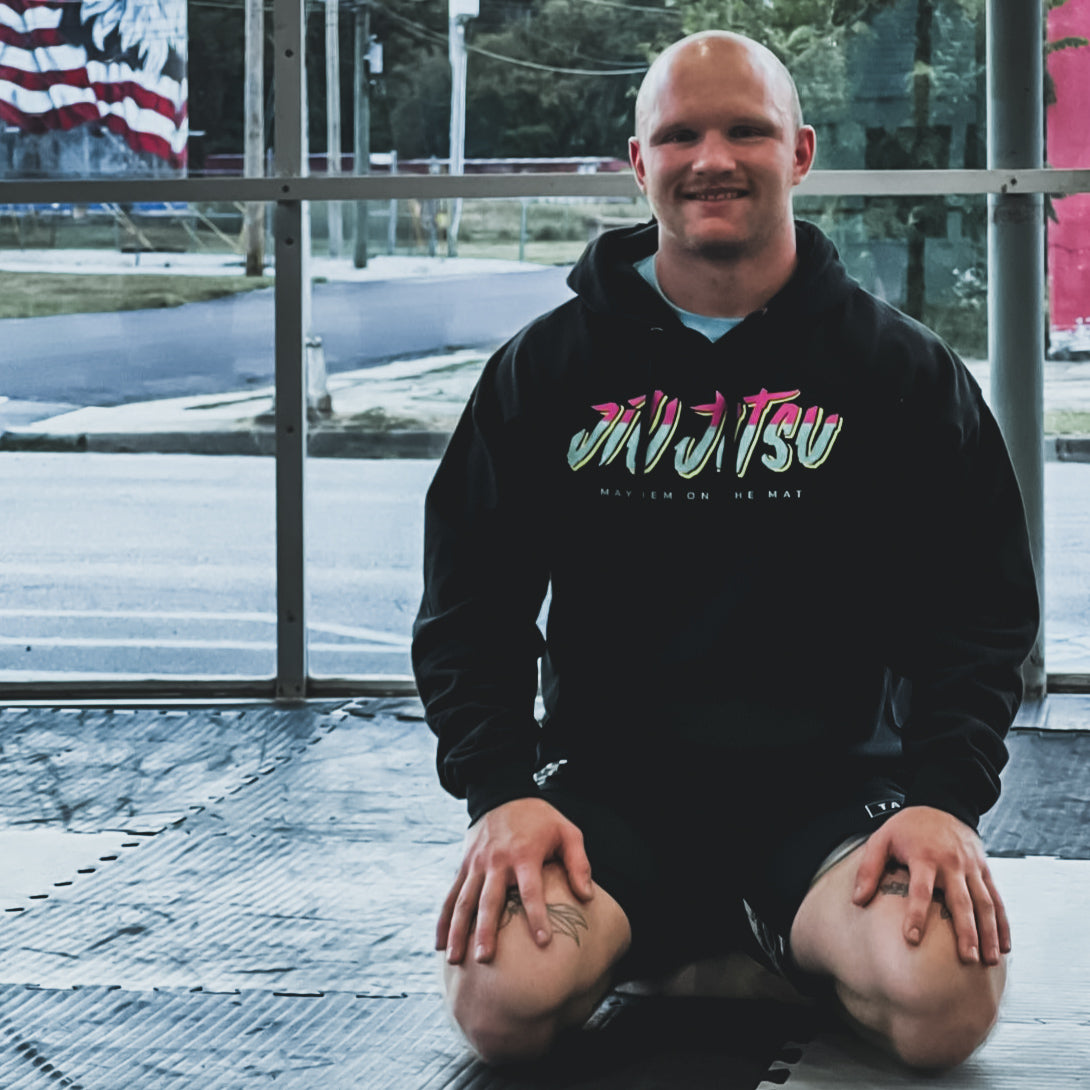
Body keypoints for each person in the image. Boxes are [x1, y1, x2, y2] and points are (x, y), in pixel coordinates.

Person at [412, 29, 1039, 1071]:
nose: (713, 158)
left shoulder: (899, 373)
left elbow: (978, 612)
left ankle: (732, 947)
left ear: (796, 153)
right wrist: (503, 796)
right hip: (611, 797)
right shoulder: (548, 370)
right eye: (681, 134)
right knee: (499, 1004)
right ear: (638, 161)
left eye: (744, 130)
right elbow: (468, 606)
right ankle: (709, 947)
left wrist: (942, 801)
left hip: (835, 800)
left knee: (945, 1007)